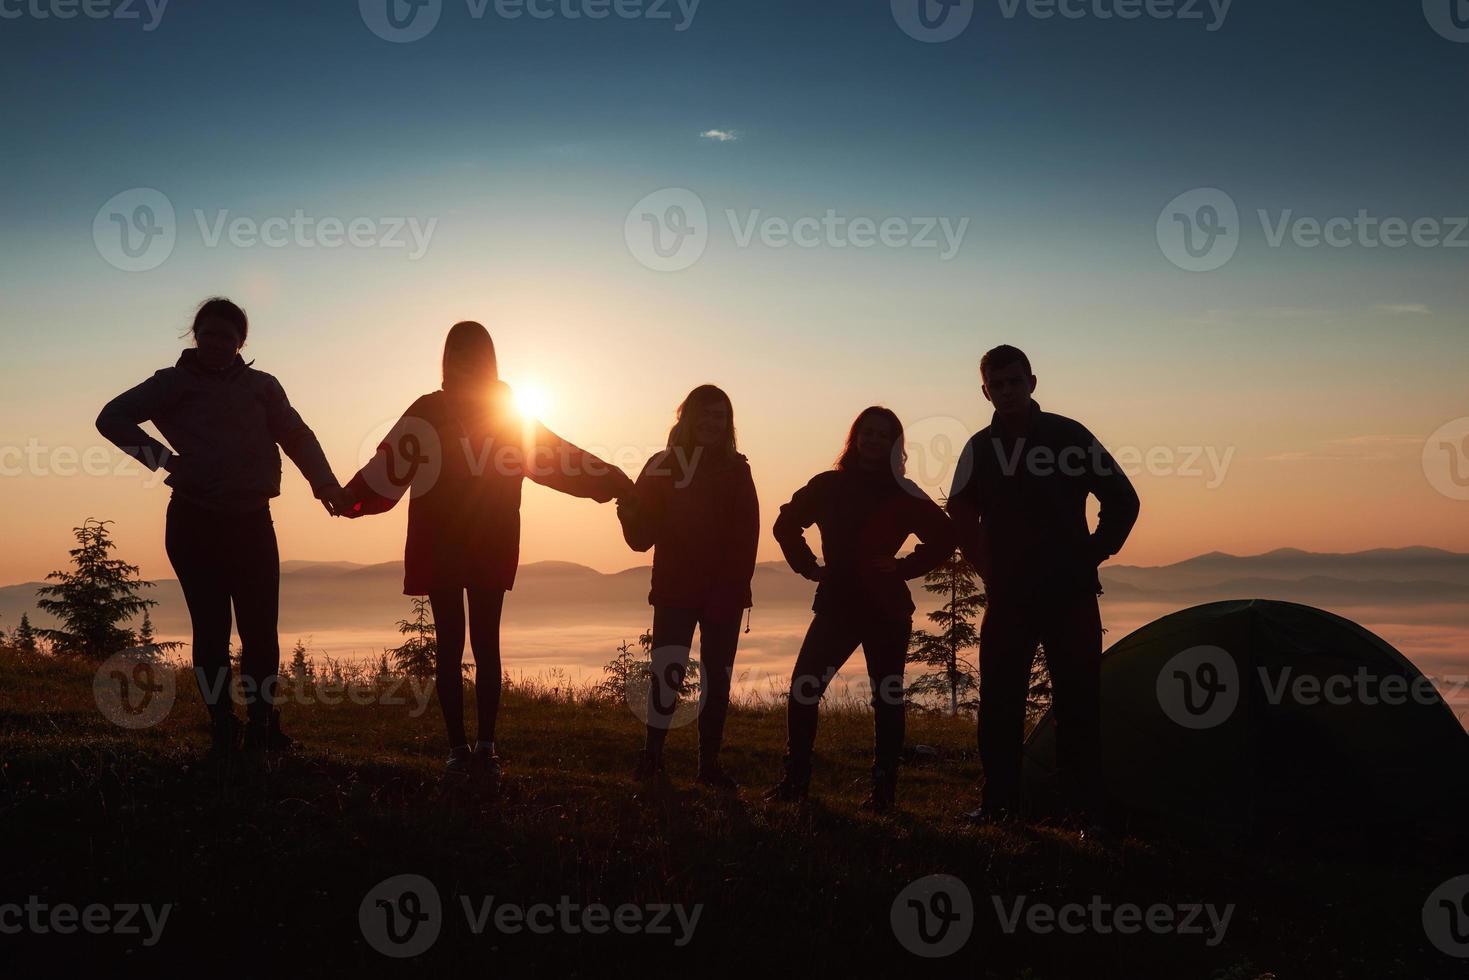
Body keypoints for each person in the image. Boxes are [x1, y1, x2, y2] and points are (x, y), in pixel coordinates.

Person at [342, 321, 633, 783]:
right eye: (460, 354)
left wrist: (612, 479)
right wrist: (349, 498)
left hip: (486, 541)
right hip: (445, 543)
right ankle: (459, 748)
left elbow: (559, 458)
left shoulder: (502, 414)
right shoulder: (435, 411)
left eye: (474, 355)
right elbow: (389, 464)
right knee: (450, 645)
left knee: (485, 644)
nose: (467, 363)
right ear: (448, 359)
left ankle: (485, 747)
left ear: (488, 359)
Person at [96, 297, 351, 758]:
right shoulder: (171, 384)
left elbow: (297, 435)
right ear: (196, 336)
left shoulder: (262, 387)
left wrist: (325, 483)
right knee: (211, 630)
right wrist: (165, 461)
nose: (216, 344)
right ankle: (222, 725)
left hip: (252, 520)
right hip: (195, 521)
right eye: (208, 335)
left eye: (226, 338)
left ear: (241, 343)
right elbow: (110, 418)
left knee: (260, 631)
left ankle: (263, 725)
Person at [946, 345, 1139, 827]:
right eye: (998, 384)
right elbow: (960, 509)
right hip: (1008, 596)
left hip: (1069, 594)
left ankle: (1083, 811)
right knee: (999, 703)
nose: (1007, 391)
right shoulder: (979, 447)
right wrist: (983, 564)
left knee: (1078, 701)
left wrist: (1092, 552)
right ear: (985, 391)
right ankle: (999, 806)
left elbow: (1122, 498)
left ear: (1032, 383)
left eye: (1015, 381)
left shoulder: (1068, 436)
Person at [764, 407, 957, 812]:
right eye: (868, 433)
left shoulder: (905, 492)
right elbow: (785, 523)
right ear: (856, 437)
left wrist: (904, 566)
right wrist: (807, 566)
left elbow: (944, 537)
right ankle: (795, 781)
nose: (874, 440)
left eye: (883, 435)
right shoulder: (829, 485)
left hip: (886, 607)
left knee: (887, 697)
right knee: (804, 689)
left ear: (894, 443)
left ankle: (883, 794)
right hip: (838, 601)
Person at [617, 385, 759, 790]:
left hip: (724, 593)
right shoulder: (662, 466)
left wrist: (729, 591)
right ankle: (653, 757)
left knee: (717, 680)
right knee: (667, 676)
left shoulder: (737, 470)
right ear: (688, 419)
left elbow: (746, 538)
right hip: (676, 589)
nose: (713, 424)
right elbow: (641, 538)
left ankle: (708, 765)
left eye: (721, 417)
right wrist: (628, 514)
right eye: (706, 415)